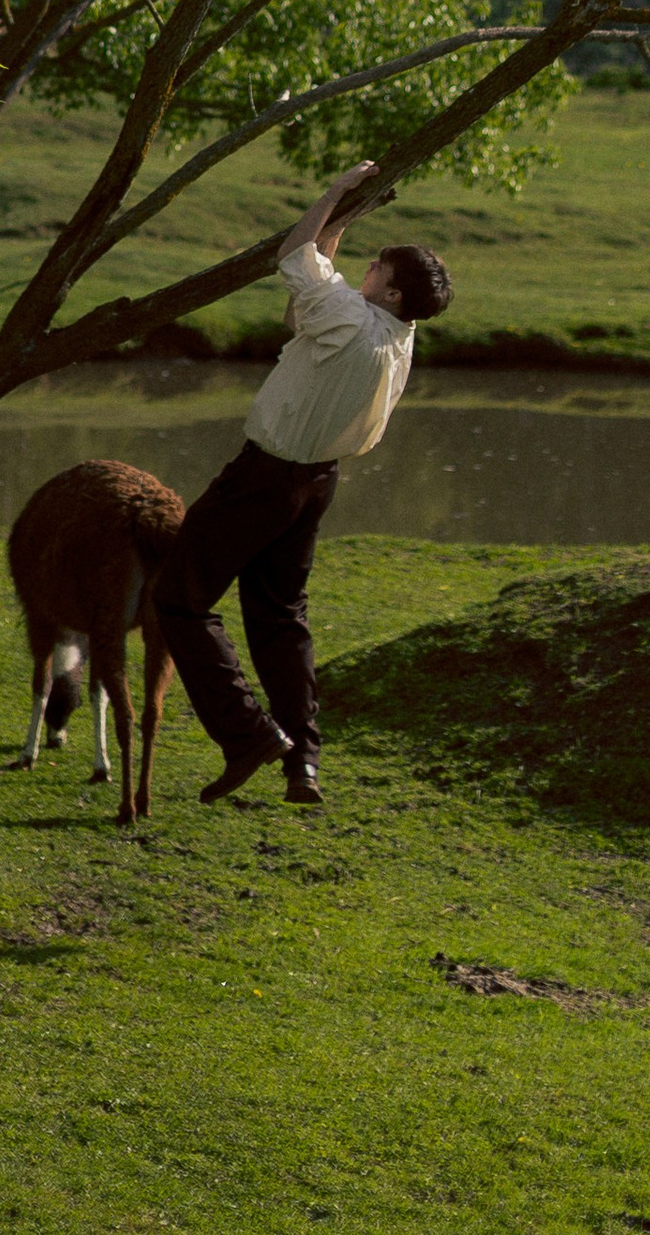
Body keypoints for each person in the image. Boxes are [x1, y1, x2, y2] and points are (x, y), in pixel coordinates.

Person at [150, 162, 450, 809]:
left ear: (392, 293)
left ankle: (250, 735)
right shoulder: (399, 336)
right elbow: (306, 300)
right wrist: (341, 225)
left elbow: (296, 254)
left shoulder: (350, 317)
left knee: (178, 596)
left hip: (264, 478)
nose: (362, 275)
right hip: (316, 487)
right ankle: (303, 765)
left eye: (377, 271)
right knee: (280, 620)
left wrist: (337, 194)